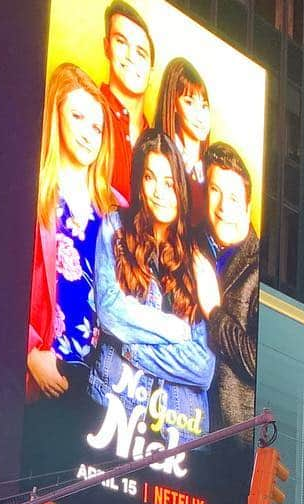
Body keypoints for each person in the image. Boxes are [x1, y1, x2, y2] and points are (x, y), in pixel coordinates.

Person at [92, 130, 217, 447]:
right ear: (139, 183)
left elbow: (204, 367)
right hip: (115, 407)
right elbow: (110, 312)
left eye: (169, 182)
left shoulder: (199, 255)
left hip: (180, 428)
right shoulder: (115, 227)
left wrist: (132, 349)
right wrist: (178, 331)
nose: (160, 192)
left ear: (181, 188)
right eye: (150, 178)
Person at [27, 62, 116, 405]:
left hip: (101, 383)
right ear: (57, 114)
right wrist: (31, 350)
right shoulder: (35, 193)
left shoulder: (113, 209)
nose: (88, 134)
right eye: (77, 117)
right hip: (46, 371)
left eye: (97, 126)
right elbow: (1, 282)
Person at [196, 142, 259, 429]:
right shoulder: (193, 244)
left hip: (231, 443)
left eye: (233, 198)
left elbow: (260, 362)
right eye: (215, 191)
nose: (222, 207)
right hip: (181, 427)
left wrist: (214, 311)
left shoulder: (262, 269)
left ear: (247, 206)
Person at [99, 1, 154, 200]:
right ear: (106, 47)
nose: (131, 57)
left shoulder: (158, 142)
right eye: (121, 42)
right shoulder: (87, 114)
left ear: (151, 72)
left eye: (141, 53)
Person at [153, 59, 211, 220]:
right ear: (173, 106)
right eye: (189, 102)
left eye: (204, 105)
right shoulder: (159, 161)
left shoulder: (213, 170)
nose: (200, 116)